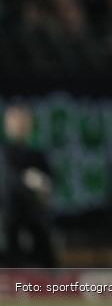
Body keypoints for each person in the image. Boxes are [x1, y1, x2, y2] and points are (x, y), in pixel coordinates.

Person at [2, 104, 58, 268]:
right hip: (8, 216)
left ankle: (51, 287)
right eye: (15, 121)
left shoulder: (36, 154)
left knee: (45, 256)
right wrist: (24, 179)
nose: (19, 125)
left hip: (34, 214)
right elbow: (9, 179)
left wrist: (43, 185)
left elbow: (49, 181)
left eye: (23, 121)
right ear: (7, 125)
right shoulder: (4, 154)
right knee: (10, 255)